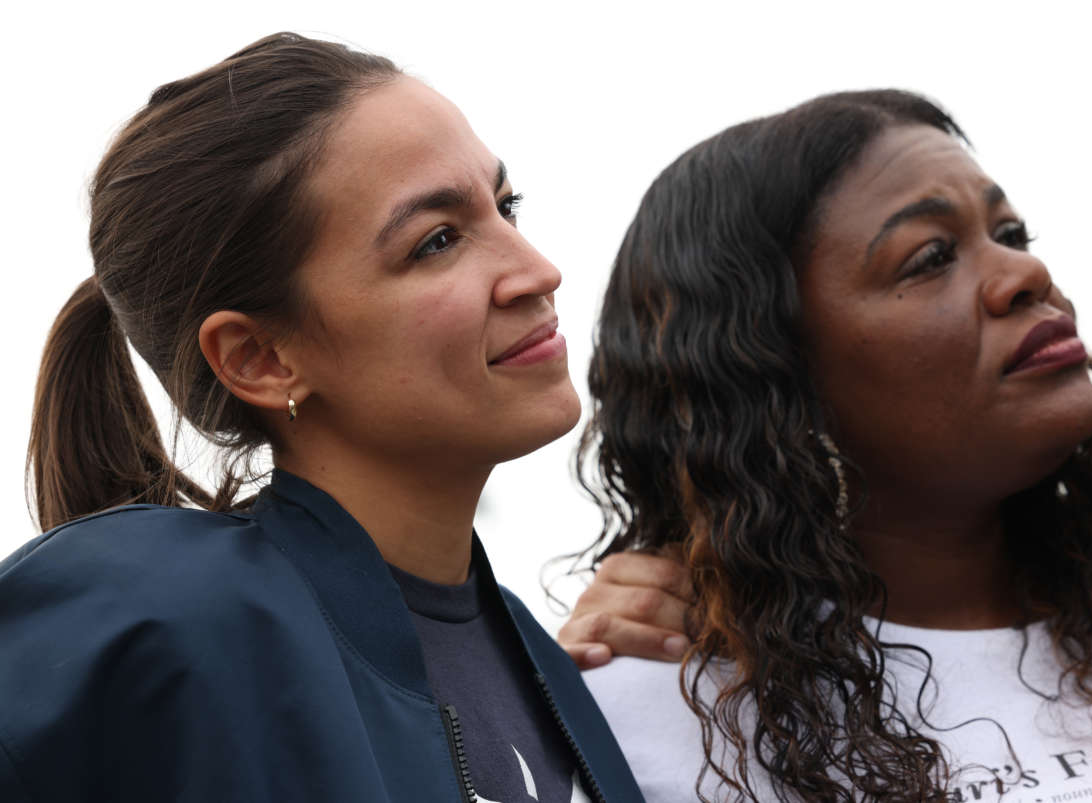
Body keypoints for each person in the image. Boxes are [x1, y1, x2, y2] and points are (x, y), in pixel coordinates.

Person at [0, 33, 641, 803]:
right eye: (436, 241)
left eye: (506, 206)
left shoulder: (551, 667)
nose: (538, 271)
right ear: (260, 358)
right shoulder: (156, 627)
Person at [558, 89, 1092, 802]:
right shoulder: (654, 717)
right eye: (931, 257)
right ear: (774, 378)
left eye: (1011, 236)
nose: (1027, 276)